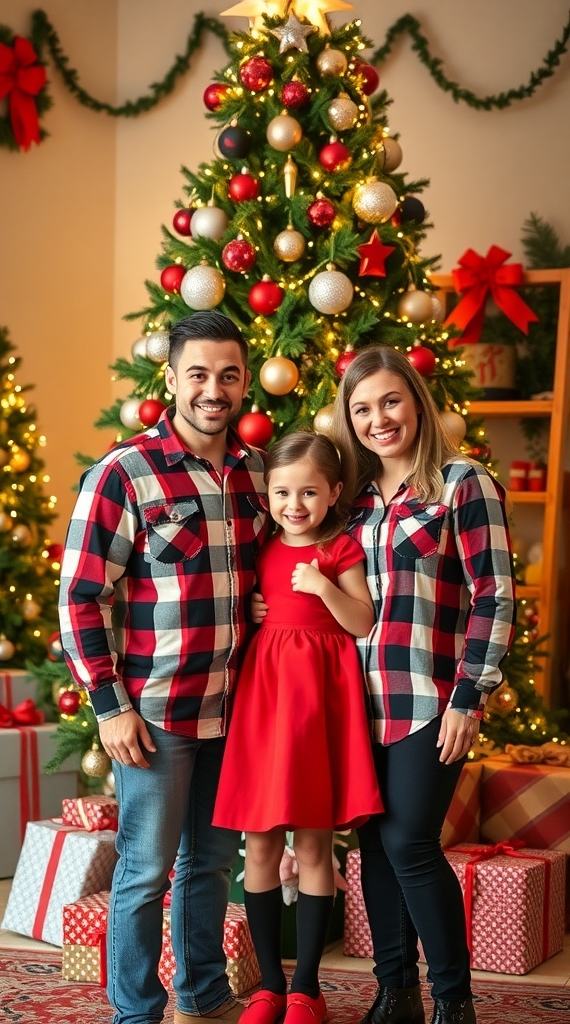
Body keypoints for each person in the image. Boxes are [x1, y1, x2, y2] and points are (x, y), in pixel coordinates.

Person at [58, 310, 269, 1024]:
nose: (215, 389)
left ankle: (204, 997)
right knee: (146, 873)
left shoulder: (256, 475)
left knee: (209, 866)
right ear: (172, 377)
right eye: (200, 374)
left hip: (234, 709)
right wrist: (110, 707)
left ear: (244, 383)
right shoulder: (125, 474)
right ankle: (136, 1013)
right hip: (155, 714)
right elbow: (81, 598)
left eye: (229, 375)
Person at [331, 346, 516, 1024]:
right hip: (358, 704)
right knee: (373, 843)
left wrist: (472, 695)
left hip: (429, 700)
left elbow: (494, 596)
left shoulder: (463, 484)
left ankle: (453, 1001)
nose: (378, 419)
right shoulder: (352, 503)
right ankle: (394, 991)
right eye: (362, 409)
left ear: (415, 401)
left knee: (410, 841)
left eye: (390, 401)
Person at [213, 432, 383, 1024]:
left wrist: (323, 587)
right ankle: (267, 986)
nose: (294, 504)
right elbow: (240, 600)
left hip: (317, 708)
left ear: (334, 492)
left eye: (309, 492)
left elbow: (361, 621)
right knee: (258, 841)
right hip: (264, 703)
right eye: (282, 491)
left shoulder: (342, 550)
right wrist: (255, 609)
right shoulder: (260, 545)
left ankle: (307, 989)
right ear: (268, 494)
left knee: (312, 843)